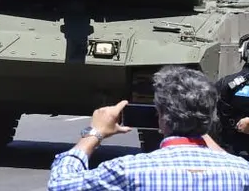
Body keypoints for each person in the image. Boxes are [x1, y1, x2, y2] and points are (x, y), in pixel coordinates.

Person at [47, 67, 249, 191]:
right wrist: (199, 125)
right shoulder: (241, 172)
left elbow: (61, 184)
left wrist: (94, 133)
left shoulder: (128, 170)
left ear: (161, 117)